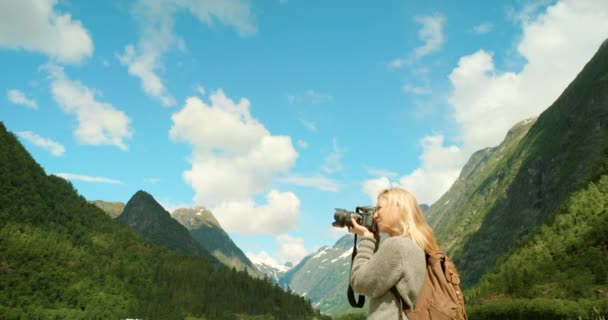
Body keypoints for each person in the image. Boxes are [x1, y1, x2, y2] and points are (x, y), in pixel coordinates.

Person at [348, 187, 441, 320]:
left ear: (397, 208)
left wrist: (367, 239)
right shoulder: (419, 246)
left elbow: (359, 282)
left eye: (379, 208)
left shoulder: (398, 246)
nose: (375, 215)